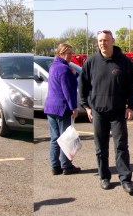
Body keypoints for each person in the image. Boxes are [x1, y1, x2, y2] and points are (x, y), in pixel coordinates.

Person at [79, 29, 133, 195]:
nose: (102, 43)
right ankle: (104, 177)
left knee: (121, 147)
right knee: (101, 147)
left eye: (105, 40)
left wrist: (130, 106)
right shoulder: (91, 62)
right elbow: (82, 86)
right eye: (100, 41)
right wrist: (87, 107)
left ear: (112, 41)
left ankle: (125, 179)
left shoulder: (124, 62)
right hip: (98, 112)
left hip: (118, 112)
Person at [44, 43, 81, 176]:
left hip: (50, 107)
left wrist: (73, 74)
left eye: (71, 53)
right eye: (68, 53)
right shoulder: (64, 69)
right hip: (62, 108)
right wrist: (74, 107)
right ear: (61, 54)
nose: (71, 56)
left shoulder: (53, 67)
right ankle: (66, 166)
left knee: (54, 138)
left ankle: (55, 166)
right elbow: (68, 91)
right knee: (66, 138)